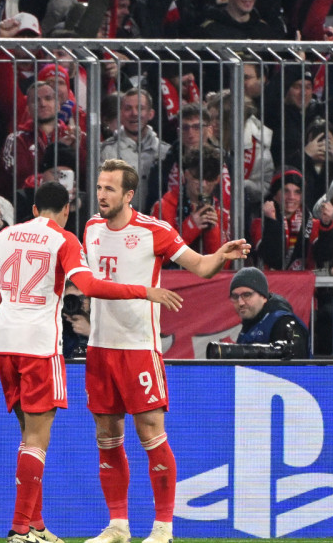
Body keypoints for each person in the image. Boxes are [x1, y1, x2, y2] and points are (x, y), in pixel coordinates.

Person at [0, 181, 183, 543]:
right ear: (66, 211)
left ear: (33, 209)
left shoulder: (5, 236)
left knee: (26, 436)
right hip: (39, 347)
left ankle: (35, 526)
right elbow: (91, 285)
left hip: (4, 346)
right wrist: (143, 290)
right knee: (37, 439)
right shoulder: (64, 239)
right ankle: (20, 530)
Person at [82, 159, 250, 543]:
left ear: (128, 194)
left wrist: (220, 256)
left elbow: (200, 268)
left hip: (139, 349)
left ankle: (163, 528)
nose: (101, 195)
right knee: (107, 437)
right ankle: (118, 526)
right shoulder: (91, 228)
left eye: (110, 189)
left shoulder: (153, 231)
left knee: (151, 433)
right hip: (99, 348)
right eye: (99, 186)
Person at [228, 267, 310, 358]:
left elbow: (295, 358)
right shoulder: (249, 325)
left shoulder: (282, 322)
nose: (240, 303)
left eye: (247, 295)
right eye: (235, 297)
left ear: (263, 297)